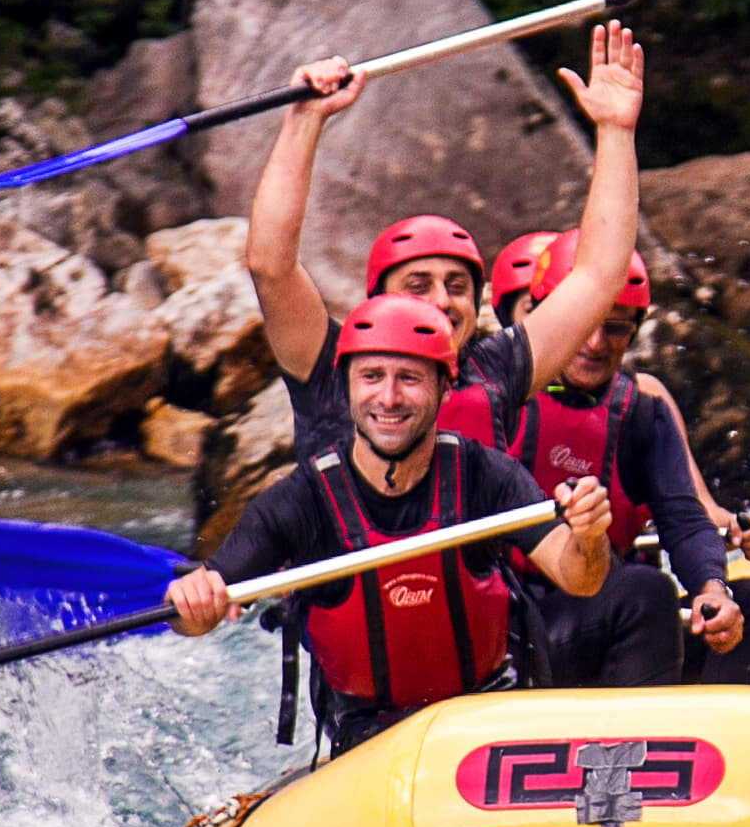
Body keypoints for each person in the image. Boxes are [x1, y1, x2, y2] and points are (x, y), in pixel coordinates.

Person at [171, 297, 616, 751]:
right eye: (371, 377)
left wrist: (588, 535)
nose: (388, 398)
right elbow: (197, 609)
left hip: (486, 714)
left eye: (409, 378)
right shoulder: (300, 500)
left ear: (444, 389)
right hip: (368, 736)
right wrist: (191, 602)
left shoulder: (486, 475)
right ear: (347, 386)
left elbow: (580, 578)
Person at [240, 11, 651, 467]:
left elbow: (599, 275)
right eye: (418, 286)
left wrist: (615, 132)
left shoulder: (497, 370)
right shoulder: (328, 369)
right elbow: (269, 265)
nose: (442, 300)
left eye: (458, 287)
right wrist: (305, 119)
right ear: (377, 301)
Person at [502, 232, 750, 685]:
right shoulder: (495, 399)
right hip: (514, 630)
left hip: (603, 613)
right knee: (643, 592)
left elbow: (685, 518)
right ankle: (638, 745)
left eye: (615, 327)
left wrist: (712, 592)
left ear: (634, 330)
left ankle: (716, 744)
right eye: (584, 321)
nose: (596, 343)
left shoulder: (640, 411)